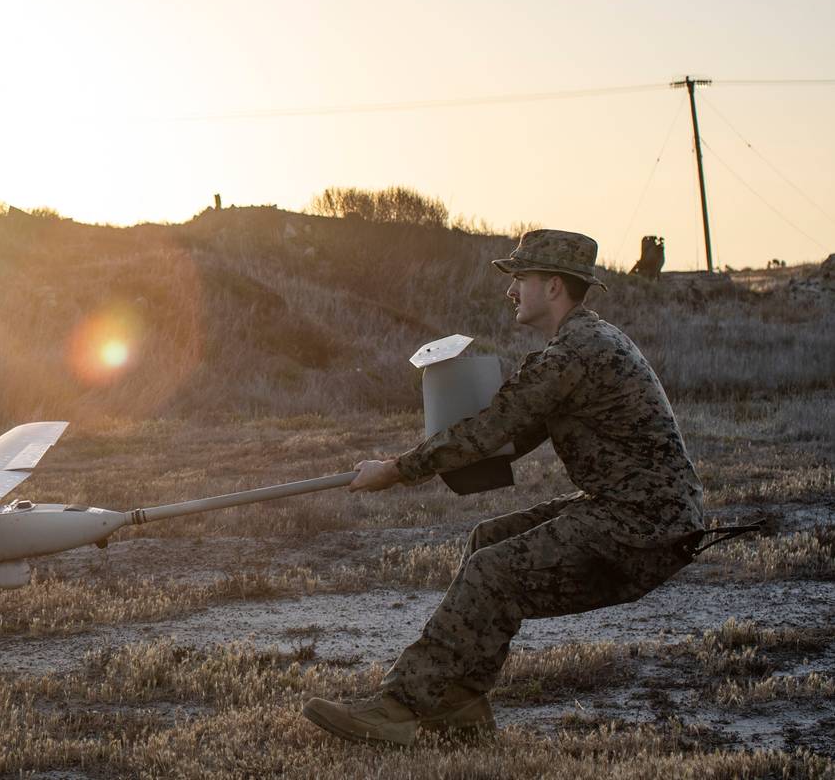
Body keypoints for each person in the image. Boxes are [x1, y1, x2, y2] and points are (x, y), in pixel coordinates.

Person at [301, 229, 704, 747]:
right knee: (489, 541)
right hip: (637, 511)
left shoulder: (574, 354)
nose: (511, 291)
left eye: (520, 279)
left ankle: (397, 707)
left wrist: (397, 470)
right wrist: (425, 452)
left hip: (645, 523)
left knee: (494, 571)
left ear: (554, 287)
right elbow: (505, 438)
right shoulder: (580, 344)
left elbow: (492, 429)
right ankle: (459, 703)